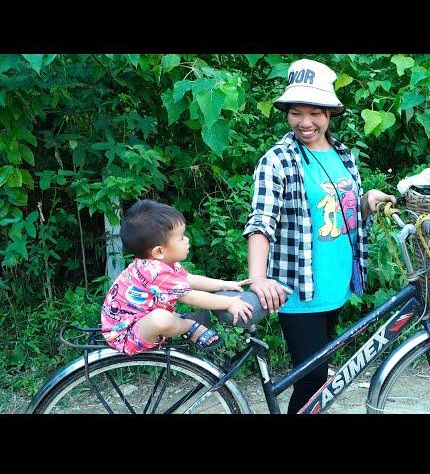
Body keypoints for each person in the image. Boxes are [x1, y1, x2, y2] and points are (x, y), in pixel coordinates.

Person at [243, 58, 396, 414]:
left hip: (334, 283)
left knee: (319, 377)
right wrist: (258, 278)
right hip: (299, 289)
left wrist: (367, 201)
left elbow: (341, 208)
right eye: (296, 113)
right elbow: (261, 222)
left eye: (315, 113)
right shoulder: (278, 160)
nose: (305, 122)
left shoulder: (343, 154)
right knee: (311, 383)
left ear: (330, 113)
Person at [101, 199, 254, 356]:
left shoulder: (157, 263)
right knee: (160, 319)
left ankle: (180, 320)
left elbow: (189, 279)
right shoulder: (155, 273)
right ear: (159, 251)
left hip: (135, 320)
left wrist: (223, 285)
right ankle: (188, 325)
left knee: (161, 314)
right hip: (124, 335)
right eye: (181, 237)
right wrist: (229, 302)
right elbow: (191, 297)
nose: (187, 240)